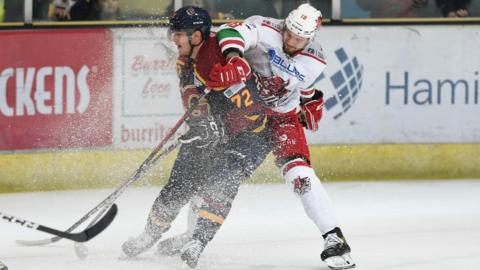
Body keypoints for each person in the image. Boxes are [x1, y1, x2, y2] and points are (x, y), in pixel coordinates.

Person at [157, 3, 356, 270]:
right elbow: (230, 33)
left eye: (299, 38)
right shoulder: (266, 26)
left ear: (311, 38)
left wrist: (311, 97)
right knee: (214, 170)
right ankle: (193, 234)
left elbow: (296, 81)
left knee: (299, 175)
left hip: (282, 118)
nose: (291, 40)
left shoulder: (316, 58)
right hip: (241, 113)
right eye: (289, 32)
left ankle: (334, 238)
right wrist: (233, 57)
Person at [120, 5, 273, 268]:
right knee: (178, 185)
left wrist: (221, 127)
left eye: (179, 34)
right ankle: (150, 234)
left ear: (197, 35)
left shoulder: (220, 54)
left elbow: (252, 107)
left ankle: (196, 238)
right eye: (173, 33)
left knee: (221, 184)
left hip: (246, 134)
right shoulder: (185, 60)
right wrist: (200, 121)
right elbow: (190, 98)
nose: (173, 39)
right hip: (210, 129)